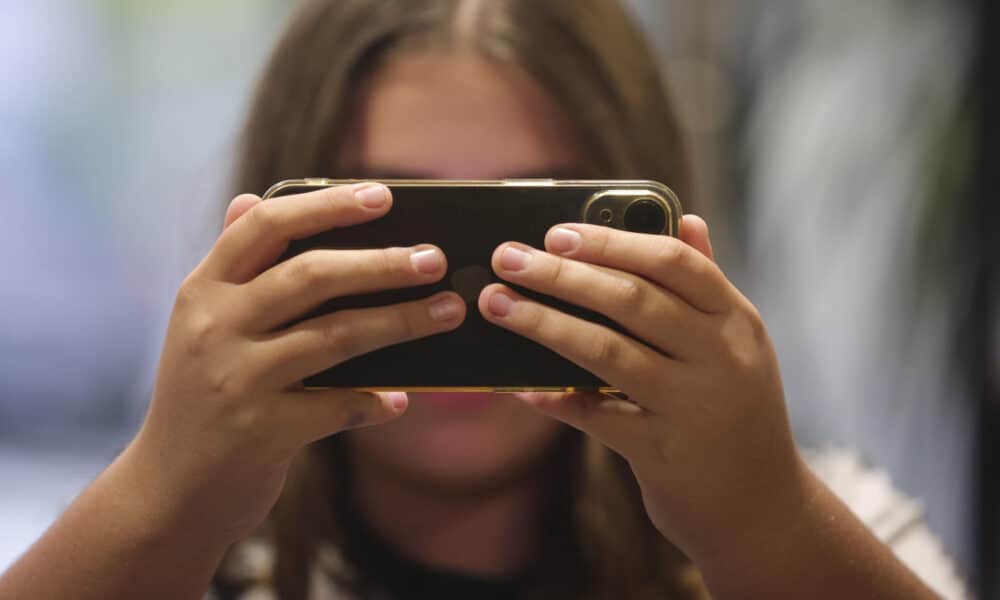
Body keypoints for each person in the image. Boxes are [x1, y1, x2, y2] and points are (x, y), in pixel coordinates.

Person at [0, 1, 961, 598]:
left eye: (539, 229)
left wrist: (761, 522)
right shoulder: (163, 553)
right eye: (397, 231)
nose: (467, 299)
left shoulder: (822, 526)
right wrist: (165, 501)